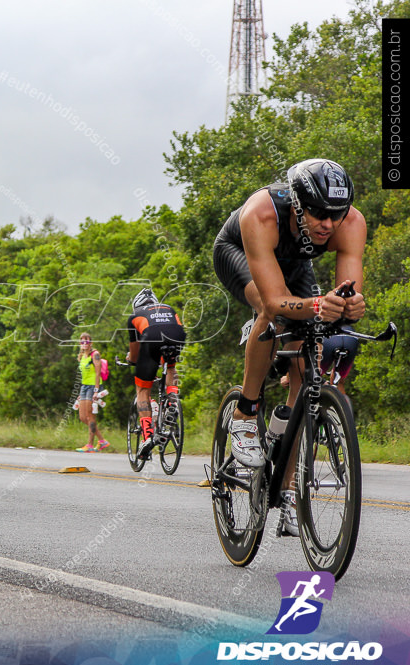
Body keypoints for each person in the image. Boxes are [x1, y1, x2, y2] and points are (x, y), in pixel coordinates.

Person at [213, 159, 365, 536]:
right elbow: (276, 299)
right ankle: (246, 414)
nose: (328, 224)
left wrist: (350, 304)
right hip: (240, 252)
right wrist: (315, 305)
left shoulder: (350, 222)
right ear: (297, 204)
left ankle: (288, 488)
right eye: (317, 213)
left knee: (306, 363)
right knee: (270, 311)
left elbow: (348, 293)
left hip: (295, 263)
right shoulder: (261, 214)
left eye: (335, 214)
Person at [125, 289, 186, 457]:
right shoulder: (169, 308)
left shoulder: (134, 316)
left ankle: (147, 436)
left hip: (151, 338)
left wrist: (131, 359)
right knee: (171, 367)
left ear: (136, 305)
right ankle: (172, 402)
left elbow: (135, 354)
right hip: (177, 336)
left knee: (143, 389)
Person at [74, 333, 109, 452]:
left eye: (87, 342)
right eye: (82, 342)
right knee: (83, 417)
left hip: (93, 387)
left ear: (91, 343)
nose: (84, 344)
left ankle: (89, 445)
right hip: (84, 387)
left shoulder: (96, 354)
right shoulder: (82, 356)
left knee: (90, 416)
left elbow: (98, 373)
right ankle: (102, 440)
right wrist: (80, 393)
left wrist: (96, 390)